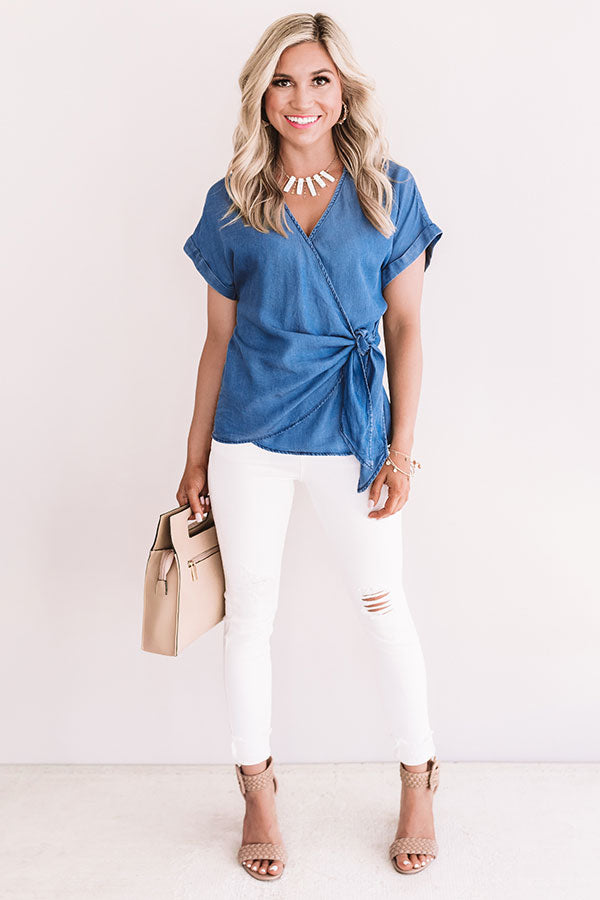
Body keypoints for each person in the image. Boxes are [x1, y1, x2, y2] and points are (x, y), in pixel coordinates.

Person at [177, 12, 443, 883]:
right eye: (283, 82)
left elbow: (405, 329)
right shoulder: (232, 200)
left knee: (384, 607)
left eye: (319, 80)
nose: (302, 99)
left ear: (344, 91)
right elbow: (217, 341)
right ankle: (256, 792)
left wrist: (401, 451)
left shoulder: (389, 190)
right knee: (250, 618)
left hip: (352, 436)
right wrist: (193, 460)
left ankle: (418, 782)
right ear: (262, 95)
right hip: (248, 437)